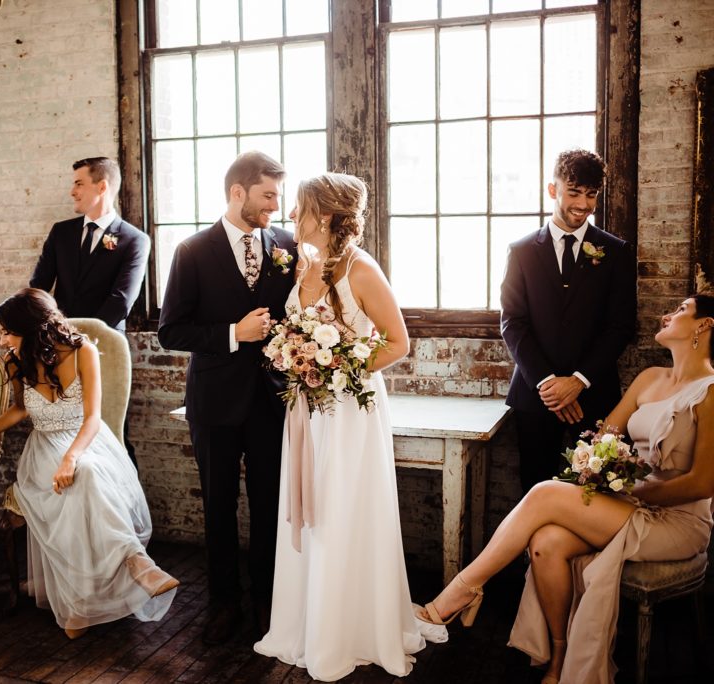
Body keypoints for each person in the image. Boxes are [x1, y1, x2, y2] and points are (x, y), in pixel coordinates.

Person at [419, 295, 714, 684]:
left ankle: (461, 592)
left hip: (676, 521)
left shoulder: (709, 392)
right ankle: (560, 657)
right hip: (630, 501)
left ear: (704, 326)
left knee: (544, 493)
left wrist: (631, 493)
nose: (667, 314)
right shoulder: (649, 379)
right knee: (546, 541)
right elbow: (605, 435)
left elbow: (702, 483)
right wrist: (596, 470)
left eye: (680, 310)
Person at [252, 173, 445, 680]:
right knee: (312, 512)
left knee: (341, 510)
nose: (291, 215)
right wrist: (298, 358)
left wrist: (336, 368)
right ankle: (307, 625)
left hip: (350, 411)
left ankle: (351, 630)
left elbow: (398, 342)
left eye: (300, 207)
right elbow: (301, 330)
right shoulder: (307, 264)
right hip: (309, 411)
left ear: (328, 216)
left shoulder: (362, 269)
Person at [0, 288, 177, 640]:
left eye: (7, 330)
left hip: (86, 442)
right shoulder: (15, 360)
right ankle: (116, 577)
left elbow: (94, 417)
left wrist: (71, 457)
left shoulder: (85, 350)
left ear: (29, 327)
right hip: (42, 449)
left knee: (87, 474)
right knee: (79, 481)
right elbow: (22, 409)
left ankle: (121, 572)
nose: (2, 337)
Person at [158, 151, 298, 644]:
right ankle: (222, 605)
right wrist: (234, 333)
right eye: (267, 196)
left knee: (269, 504)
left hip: (270, 399)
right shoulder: (193, 251)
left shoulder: (286, 245)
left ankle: (267, 600)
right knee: (218, 506)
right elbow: (170, 330)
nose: (275, 208)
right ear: (238, 192)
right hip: (215, 401)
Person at [500, 149, 636, 493]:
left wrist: (577, 381)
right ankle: (536, 550)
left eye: (591, 194)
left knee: (595, 492)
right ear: (552, 190)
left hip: (595, 397)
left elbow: (621, 325)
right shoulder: (521, 251)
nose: (584, 204)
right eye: (574, 192)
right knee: (535, 488)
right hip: (536, 396)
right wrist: (548, 384)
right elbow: (512, 322)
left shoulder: (615, 251)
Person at [30, 157, 151, 467]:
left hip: (105, 352)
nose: (72, 191)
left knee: (110, 432)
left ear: (102, 186)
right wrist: (58, 343)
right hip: (56, 350)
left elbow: (121, 302)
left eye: (78, 183)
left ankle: (123, 506)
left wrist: (79, 344)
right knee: (62, 434)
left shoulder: (135, 240)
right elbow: (39, 291)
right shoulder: (61, 233)